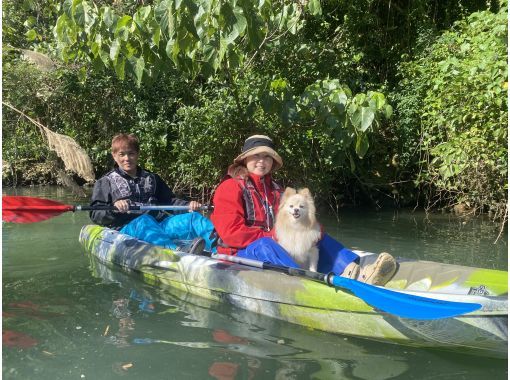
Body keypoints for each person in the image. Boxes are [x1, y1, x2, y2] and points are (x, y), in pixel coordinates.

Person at [211, 134, 397, 285]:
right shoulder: (230, 187)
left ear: (272, 162)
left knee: (317, 237)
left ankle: (356, 272)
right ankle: (306, 284)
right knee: (265, 245)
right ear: (245, 159)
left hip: (276, 246)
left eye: (267, 156)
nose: (262, 161)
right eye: (256, 155)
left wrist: (314, 229)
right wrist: (273, 236)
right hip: (238, 255)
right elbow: (231, 233)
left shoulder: (277, 190)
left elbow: (296, 221)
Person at [89, 133, 214, 253]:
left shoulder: (152, 178)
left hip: (158, 225)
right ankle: (175, 253)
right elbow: (95, 213)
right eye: (122, 154)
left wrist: (187, 205)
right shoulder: (105, 182)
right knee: (144, 220)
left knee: (193, 219)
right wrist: (113, 208)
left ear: (137, 154)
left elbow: (170, 202)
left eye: (131, 153)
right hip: (128, 229)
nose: (126, 158)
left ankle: (222, 249)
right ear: (114, 156)